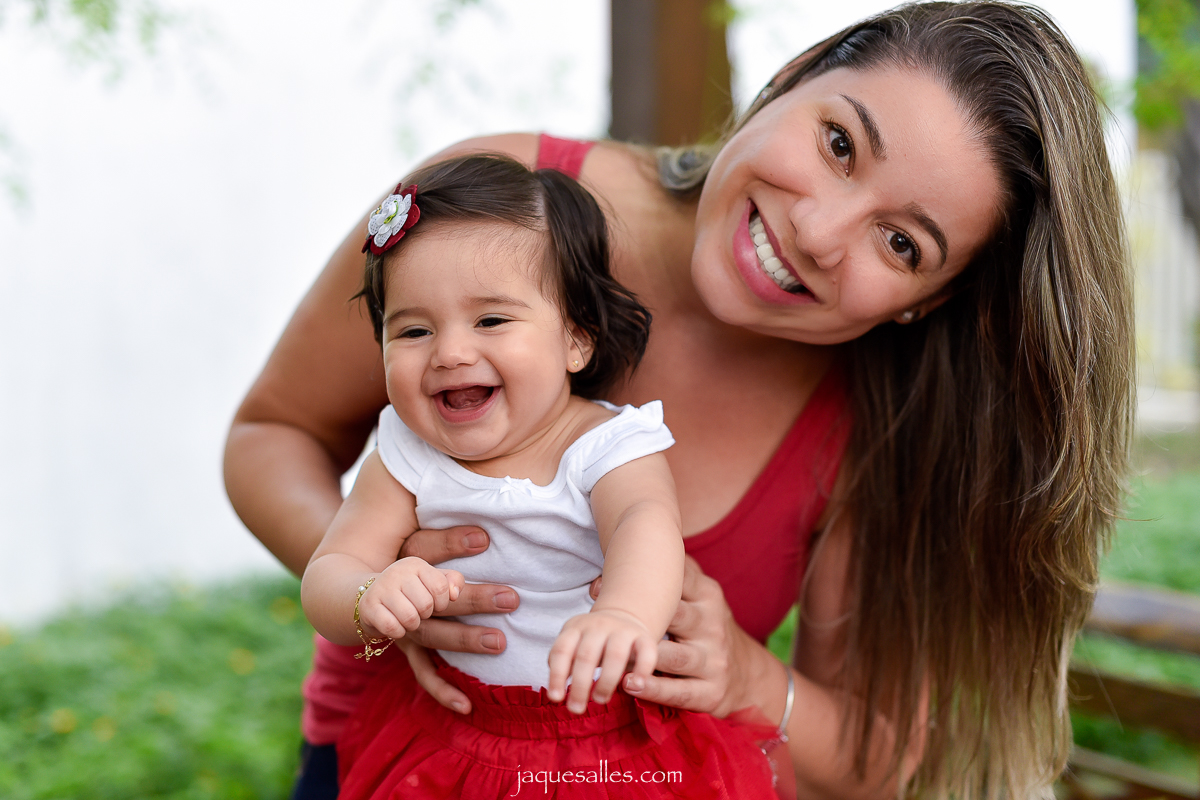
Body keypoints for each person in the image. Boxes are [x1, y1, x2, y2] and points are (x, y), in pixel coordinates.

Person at [223, 3, 1134, 798]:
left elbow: (876, 760)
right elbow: (274, 435)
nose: (817, 232)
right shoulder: (496, 212)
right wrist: (382, 591)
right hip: (388, 765)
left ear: (926, 301)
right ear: (786, 79)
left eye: (901, 243)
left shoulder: (881, 428)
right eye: (839, 143)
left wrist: (746, 679)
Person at [299, 153, 782, 798]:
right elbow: (330, 570)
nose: (449, 352)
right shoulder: (407, 453)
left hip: (608, 746)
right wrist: (366, 596)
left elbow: (645, 525)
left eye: (492, 319)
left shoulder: (605, 445)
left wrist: (626, 616)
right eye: (412, 330)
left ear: (575, 340)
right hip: (458, 735)